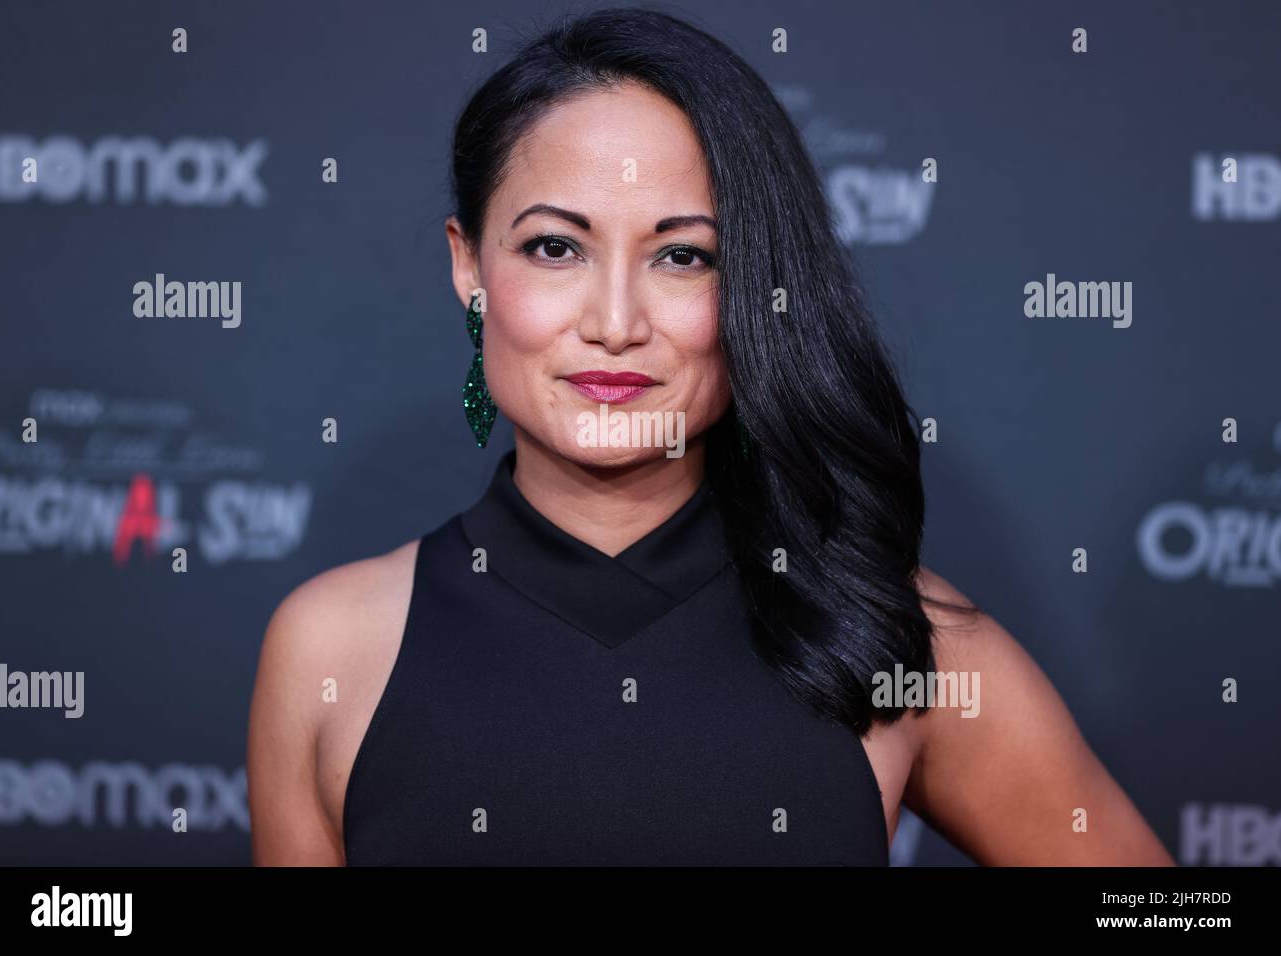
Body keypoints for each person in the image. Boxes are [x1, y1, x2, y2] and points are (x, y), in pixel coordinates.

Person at [247, 6, 1174, 866]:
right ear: (469, 266)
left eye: (683, 256)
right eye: (555, 248)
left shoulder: (891, 637)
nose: (615, 322)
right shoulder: (329, 649)